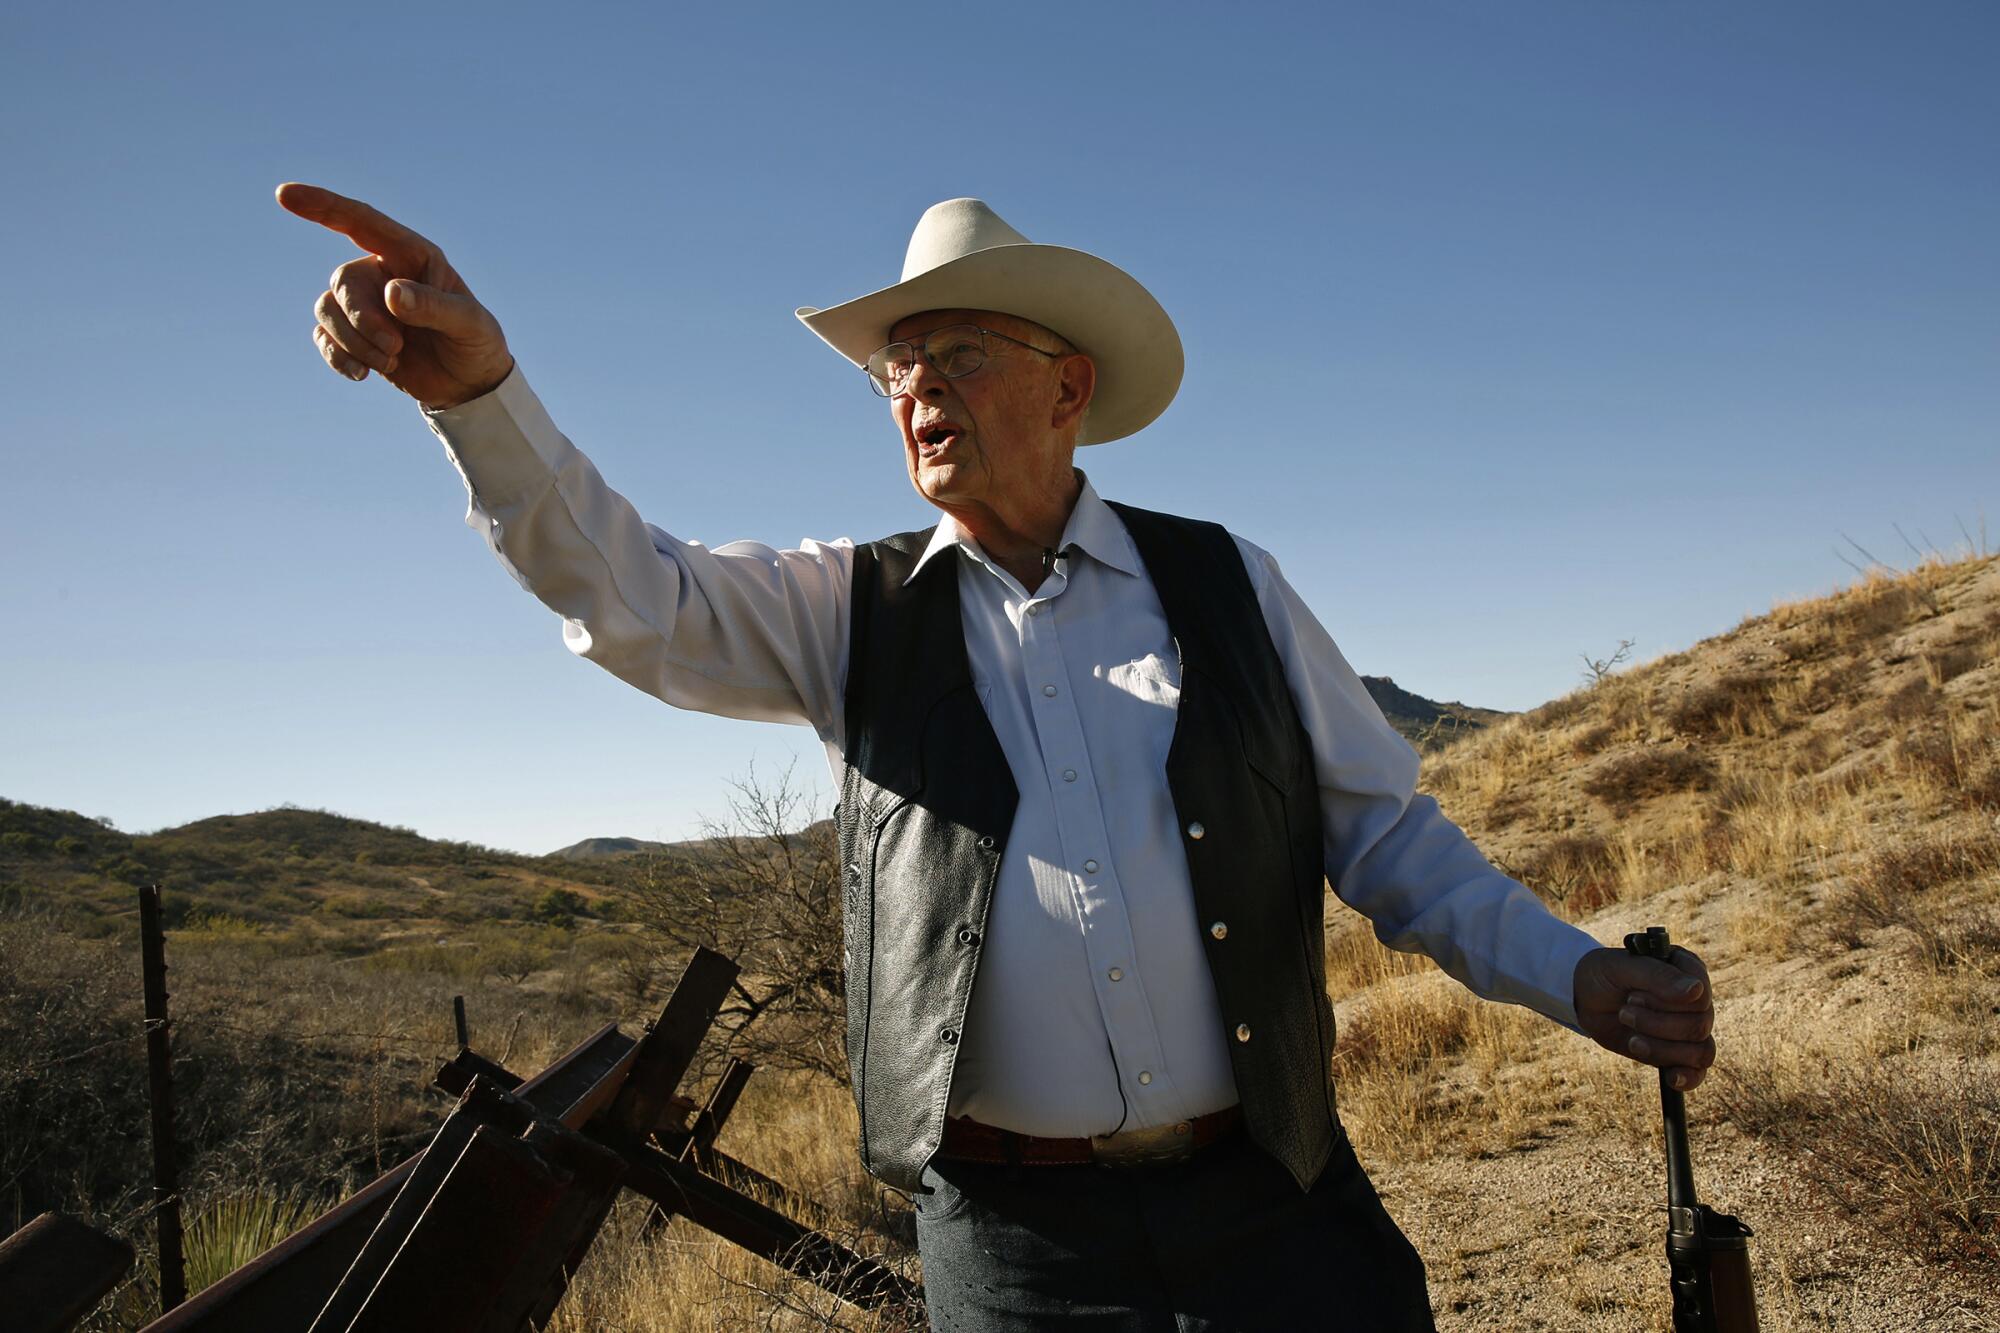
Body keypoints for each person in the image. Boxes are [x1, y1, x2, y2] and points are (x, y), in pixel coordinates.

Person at [278, 184, 1718, 1331]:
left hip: (1274, 1203)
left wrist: (1576, 973)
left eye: (956, 350)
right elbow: (634, 598)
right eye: (896, 368)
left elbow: (1391, 841)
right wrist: (481, 398)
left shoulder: (1229, 584)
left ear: (1065, 384)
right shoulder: (847, 606)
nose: (915, 388)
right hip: (1015, 1249)